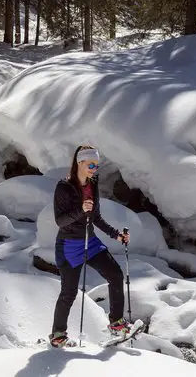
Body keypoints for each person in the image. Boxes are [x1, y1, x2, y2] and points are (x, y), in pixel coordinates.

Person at [48, 145, 131, 348]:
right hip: (69, 245)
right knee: (69, 292)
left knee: (115, 274)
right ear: (80, 163)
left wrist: (116, 235)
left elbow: (96, 217)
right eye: (91, 164)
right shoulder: (64, 187)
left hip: (90, 242)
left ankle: (116, 323)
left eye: (97, 165)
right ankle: (58, 335)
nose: (94, 168)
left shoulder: (92, 184)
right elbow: (60, 221)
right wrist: (79, 210)